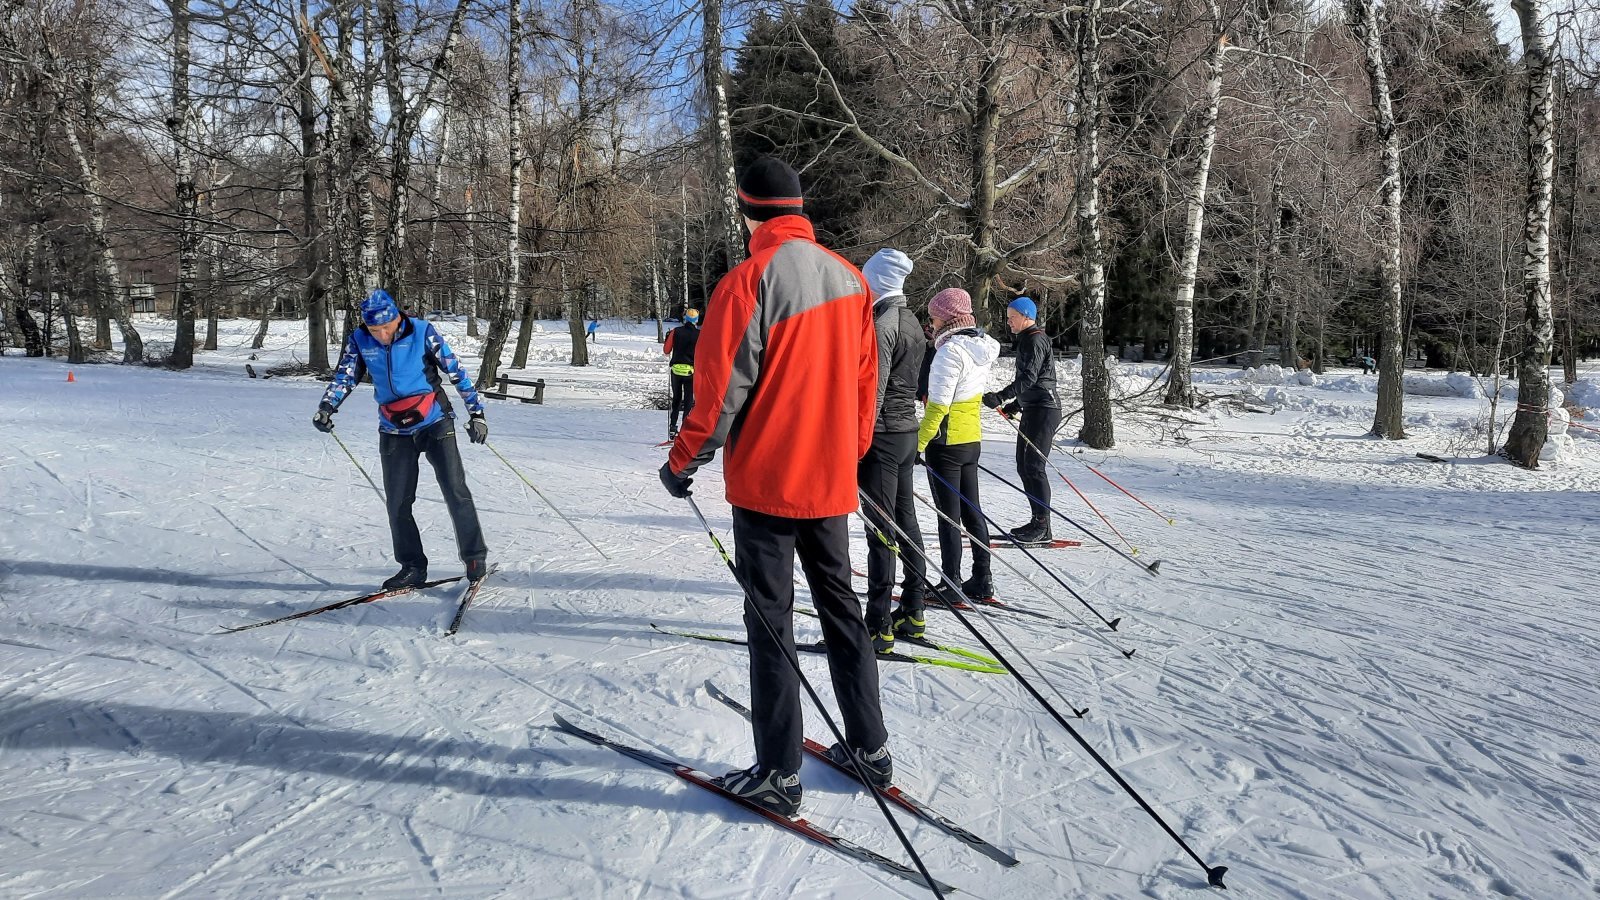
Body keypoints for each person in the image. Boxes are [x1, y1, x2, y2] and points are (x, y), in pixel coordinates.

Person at [658, 157, 889, 815]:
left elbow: (716, 395)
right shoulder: (849, 279)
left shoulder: (747, 282)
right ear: (798, 207)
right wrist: (846, 452)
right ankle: (869, 747)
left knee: (772, 622)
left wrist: (683, 461)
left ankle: (779, 774)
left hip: (766, 486)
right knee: (843, 610)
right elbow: (866, 388)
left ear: (747, 209)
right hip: (828, 479)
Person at [313, 290, 490, 589]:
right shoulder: (359, 340)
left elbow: (455, 370)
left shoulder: (421, 331)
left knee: (455, 490)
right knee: (397, 502)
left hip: (434, 421)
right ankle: (412, 566)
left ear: (397, 318)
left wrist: (477, 414)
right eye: (374, 330)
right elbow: (345, 375)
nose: (381, 335)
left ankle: (475, 557)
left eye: (386, 327)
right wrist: (327, 407)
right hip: (393, 428)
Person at [857, 249, 927, 653]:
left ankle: (879, 621)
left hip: (883, 436)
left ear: (877, 282)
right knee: (904, 521)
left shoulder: (883, 323)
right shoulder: (912, 319)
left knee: (881, 530)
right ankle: (913, 610)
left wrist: (856, 442)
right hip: (904, 434)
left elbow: (873, 391)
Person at [917, 287, 1000, 601]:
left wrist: (917, 444)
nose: (932, 321)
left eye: (935, 316)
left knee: (949, 516)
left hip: (946, 443)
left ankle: (950, 583)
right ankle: (982, 577)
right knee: (971, 511)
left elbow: (938, 406)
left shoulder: (950, 351)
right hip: (970, 439)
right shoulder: (980, 345)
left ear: (948, 317)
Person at [983, 297, 1061, 544]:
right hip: (1033, 408)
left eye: (1011, 317)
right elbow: (1031, 381)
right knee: (1023, 466)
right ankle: (1036, 520)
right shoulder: (1028, 339)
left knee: (1034, 467)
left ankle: (1042, 526)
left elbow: (1030, 377)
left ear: (1026, 315)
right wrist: (1015, 406)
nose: (1009, 322)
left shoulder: (1035, 339)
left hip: (1044, 409)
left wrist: (1002, 396)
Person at [661, 308, 701, 439]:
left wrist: (668, 339)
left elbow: (667, 350)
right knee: (688, 401)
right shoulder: (700, 334)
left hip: (676, 371)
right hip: (691, 371)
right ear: (696, 320)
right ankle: (685, 431)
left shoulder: (676, 331)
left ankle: (672, 428)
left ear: (685, 319)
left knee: (676, 399)